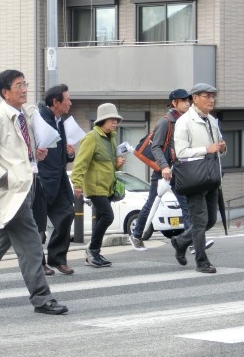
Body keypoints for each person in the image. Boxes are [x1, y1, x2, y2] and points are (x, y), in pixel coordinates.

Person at [0, 69, 68, 315]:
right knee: (31, 244)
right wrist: (4, 177)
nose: (24, 89)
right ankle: (41, 298)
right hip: (10, 191)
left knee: (2, 242)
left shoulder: (23, 116)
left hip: (25, 187)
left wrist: (36, 155)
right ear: (5, 92)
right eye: (18, 85)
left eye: (25, 83)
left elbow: (22, 152)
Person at [129, 89, 196, 251]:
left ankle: (192, 242)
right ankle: (137, 235)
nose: (188, 103)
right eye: (184, 100)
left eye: (189, 101)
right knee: (151, 203)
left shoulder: (185, 120)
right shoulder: (165, 121)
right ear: (174, 103)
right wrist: (164, 166)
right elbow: (156, 147)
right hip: (163, 171)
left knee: (186, 204)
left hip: (178, 170)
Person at [169, 83, 225, 274]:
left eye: (212, 96)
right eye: (206, 96)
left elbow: (216, 147)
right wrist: (206, 149)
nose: (211, 100)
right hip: (194, 178)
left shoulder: (212, 120)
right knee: (200, 221)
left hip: (211, 177)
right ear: (194, 98)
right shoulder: (184, 122)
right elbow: (181, 153)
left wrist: (221, 148)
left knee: (209, 220)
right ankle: (201, 261)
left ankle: (180, 241)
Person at [71, 103, 125, 268]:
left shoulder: (111, 138)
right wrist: (77, 183)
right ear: (102, 120)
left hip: (107, 186)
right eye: (111, 119)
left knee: (102, 218)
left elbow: (109, 164)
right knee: (108, 216)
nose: (114, 122)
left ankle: (95, 253)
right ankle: (92, 249)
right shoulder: (91, 137)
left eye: (116, 119)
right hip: (95, 187)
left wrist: (118, 163)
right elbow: (81, 162)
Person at [32, 84, 75, 276]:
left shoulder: (60, 120)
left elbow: (60, 152)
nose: (70, 103)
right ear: (56, 102)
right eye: (67, 99)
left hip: (59, 178)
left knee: (67, 214)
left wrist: (70, 155)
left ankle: (57, 258)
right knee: (37, 225)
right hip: (41, 179)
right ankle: (38, 263)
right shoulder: (39, 119)